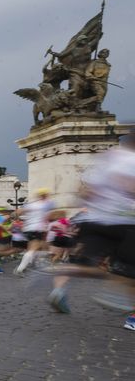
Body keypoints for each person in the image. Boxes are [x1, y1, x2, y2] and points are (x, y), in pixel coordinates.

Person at [46, 133, 135, 330]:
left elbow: (85, 192)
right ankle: (120, 301)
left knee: (87, 264)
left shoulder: (108, 159)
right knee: (129, 272)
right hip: (125, 222)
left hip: (94, 220)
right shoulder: (131, 161)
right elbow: (129, 184)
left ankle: (58, 277)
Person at [14, 187, 54, 275]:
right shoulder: (47, 204)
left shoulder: (31, 204)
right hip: (38, 228)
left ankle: (29, 263)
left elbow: (18, 212)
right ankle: (21, 268)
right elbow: (50, 216)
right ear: (45, 195)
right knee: (34, 248)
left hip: (28, 228)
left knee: (32, 247)